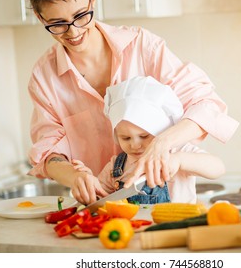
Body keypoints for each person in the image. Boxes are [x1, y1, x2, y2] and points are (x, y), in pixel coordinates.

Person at [26, 0, 239, 205]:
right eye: (57, 24)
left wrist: (162, 144)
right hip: (109, 214)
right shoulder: (44, 76)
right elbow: (48, 151)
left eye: (81, 15)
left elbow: (206, 105)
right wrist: (74, 176)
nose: (74, 31)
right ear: (39, 16)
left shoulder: (142, 46)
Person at [74, 76, 226, 203]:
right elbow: (101, 200)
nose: (134, 144)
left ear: (162, 131)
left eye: (144, 136)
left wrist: (179, 160)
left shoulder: (177, 152)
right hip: (133, 233)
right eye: (125, 138)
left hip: (177, 230)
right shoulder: (116, 165)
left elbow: (218, 168)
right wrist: (89, 184)